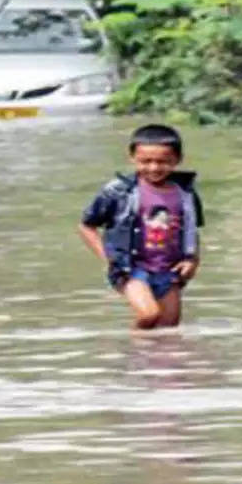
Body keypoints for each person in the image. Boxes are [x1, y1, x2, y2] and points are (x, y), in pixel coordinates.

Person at [78, 124, 204, 331]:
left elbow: (191, 229)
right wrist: (109, 258)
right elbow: (87, 226)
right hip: (131, 269)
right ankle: (132, 353)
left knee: (169, 327)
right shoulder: (118, 191)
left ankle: (157, 361)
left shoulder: (186, 194)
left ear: (178, 160)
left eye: (163, 162)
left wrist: (192, 259)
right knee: (149, 315)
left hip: (169, 269)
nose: (154, 168)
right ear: (132, 158)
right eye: (146, 161)